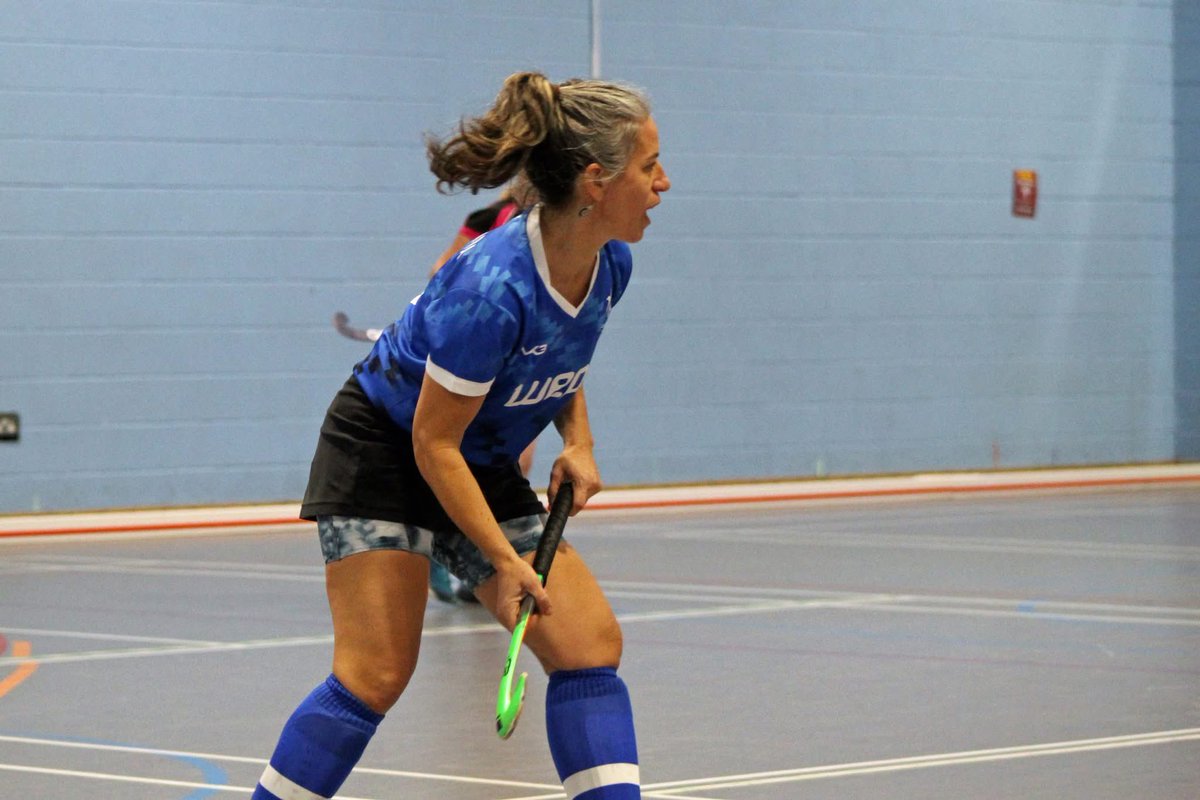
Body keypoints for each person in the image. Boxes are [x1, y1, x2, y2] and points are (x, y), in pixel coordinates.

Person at [250, 71, 670, 800]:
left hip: (472, 456)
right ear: (597, 181)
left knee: (587, 646)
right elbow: (430, 444)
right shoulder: (492, 288)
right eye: (649, 165)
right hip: (385, 449)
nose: (663, 183)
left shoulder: (609, 265)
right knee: (374, 675)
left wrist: (580, 443)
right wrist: (503, 559)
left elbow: (562, 360)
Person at [426, 178, 536, 604]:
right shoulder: (488, 220)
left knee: (517, 462)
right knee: (460, 457)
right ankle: (443, 546)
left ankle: (477, 563)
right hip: (479, 360)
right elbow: (441, 268)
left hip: (520, 367)